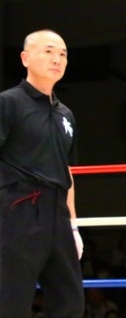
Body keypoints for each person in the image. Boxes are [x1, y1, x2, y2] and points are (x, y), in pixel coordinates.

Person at [0, 29, 85, 316]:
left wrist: (73, 226)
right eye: (48, 51)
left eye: (62, 54)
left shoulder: (66, 115)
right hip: (18, 208)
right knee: (11, 302)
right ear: (25, 58)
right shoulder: (8, 103)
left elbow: (66, 171)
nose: (57, 59)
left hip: (57, 213)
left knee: (70, 301)